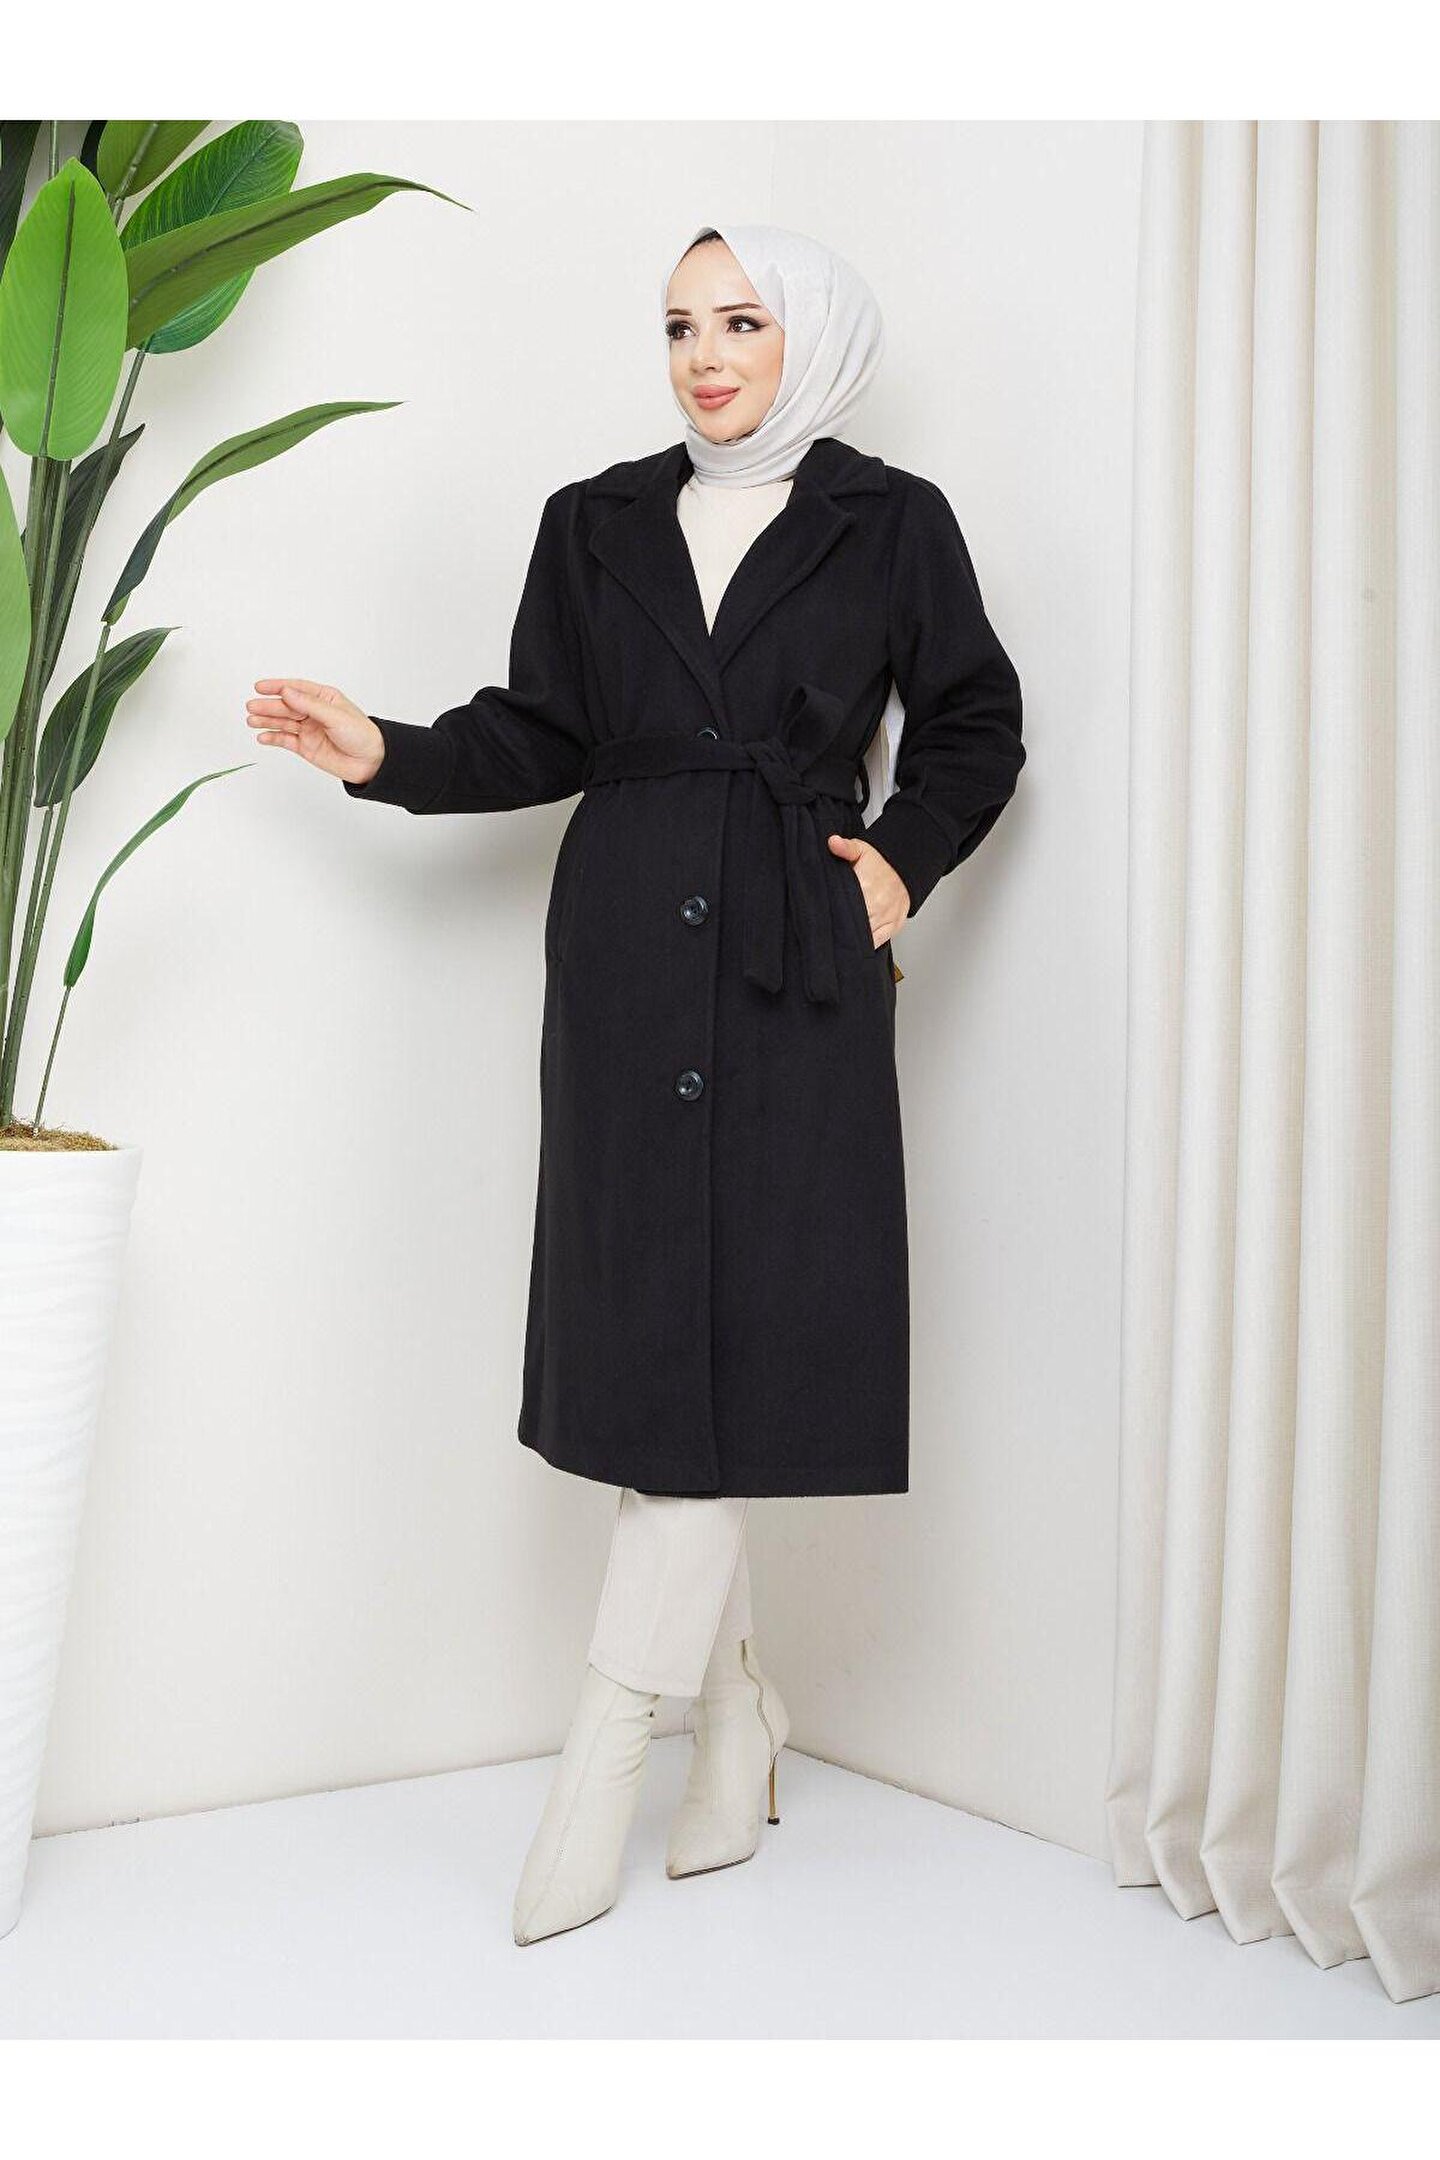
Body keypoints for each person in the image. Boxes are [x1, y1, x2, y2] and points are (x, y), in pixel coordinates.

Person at [245, 221, 1025, 1947]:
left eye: (741, 321)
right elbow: (544, 730)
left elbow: (976, 721)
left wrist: (898, 865)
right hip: (620, 959)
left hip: (794, 963)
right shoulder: (592, 519)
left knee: (738, 1325)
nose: (705, 357)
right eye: (679, 326)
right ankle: (734, 1719)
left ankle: (608, 1752)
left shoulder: (893, 521)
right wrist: (385, 753)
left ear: (809, 339)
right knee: (659, 1329)